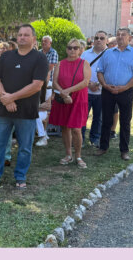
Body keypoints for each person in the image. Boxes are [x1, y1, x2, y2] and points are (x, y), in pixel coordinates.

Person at [0, 24, 48, 189]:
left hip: (26, 112)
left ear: (33, 39)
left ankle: (20, 177)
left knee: (24, 147)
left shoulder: (39, 58)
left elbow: (37, 85)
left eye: (26, 35)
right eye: (20, 34)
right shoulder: (6, 56)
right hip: (3, 110)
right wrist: (4, 97)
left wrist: (12, 98)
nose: (22, 37)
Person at [96, 27, 133, 160]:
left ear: (129, 38)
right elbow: (99, 71)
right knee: (106, 119)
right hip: (108, 91)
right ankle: (103, 147)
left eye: (123, 35)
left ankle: (124, 150)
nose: (120, 37)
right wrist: (105, 85)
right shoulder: (108, 53)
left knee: (125, 121)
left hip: (126, 92)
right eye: (118, 35)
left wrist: (125, 87)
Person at [50, 38, 92, 169]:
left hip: (78, 99)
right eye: (70, 47)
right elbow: (54, 81)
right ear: (66, 49)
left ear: (80, 50)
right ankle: (68, 154)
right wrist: (64, 93)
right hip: (63, 99)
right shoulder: (60, 64)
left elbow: (85, 82)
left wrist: (67, 91)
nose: (72, 50)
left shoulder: (85, 63)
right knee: (64, 127)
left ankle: (78, 156)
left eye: (75, 48)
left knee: (76, 128)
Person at [80, 30, 109, 147]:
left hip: (102, 92)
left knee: (98, 117)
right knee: (82, 116)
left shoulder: (110, 54)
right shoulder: (85, 54)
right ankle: (80, 138)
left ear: (106, 40)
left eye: (102, 38)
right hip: (86, 91)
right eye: (96, 37)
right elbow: (79, 72)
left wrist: (100, 85)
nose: (98, 40)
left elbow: (111, 73)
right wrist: (89, 84)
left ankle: (95, 138)